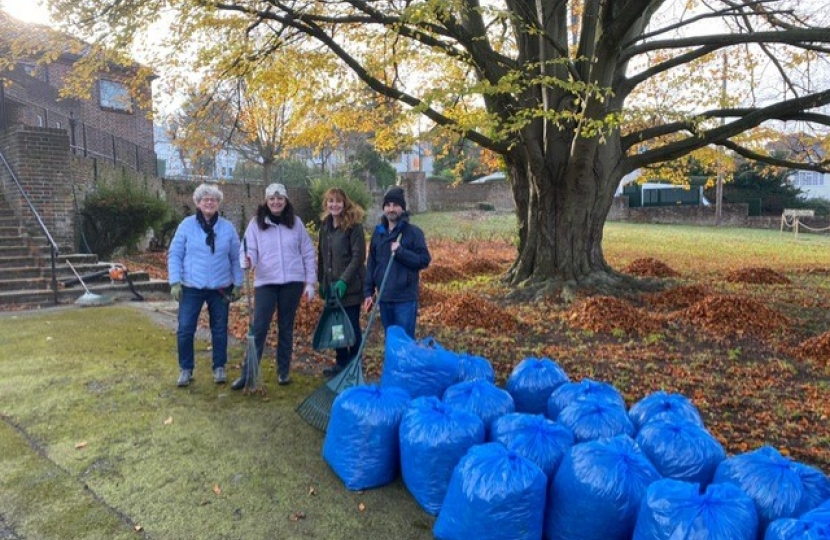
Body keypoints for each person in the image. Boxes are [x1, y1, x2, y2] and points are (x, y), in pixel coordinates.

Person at [231, 183, 317, 389]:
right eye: (272, 199)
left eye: (280, 199)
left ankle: (283, 371)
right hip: (266, 282)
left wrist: (310, 282)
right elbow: (248, 249)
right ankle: (248, 373)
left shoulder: (295, 223)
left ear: (286, 201)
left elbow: (307, 253)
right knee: (259, 328)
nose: (276, 202)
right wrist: (248, 260)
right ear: (266, 201)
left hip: (292, 283)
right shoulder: (255, 224)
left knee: (286, 328)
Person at [168, 183, 244, 387]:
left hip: (220, 288)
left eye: (213, 199)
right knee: (185, 328)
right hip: (192, 287)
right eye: (205, 199)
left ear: (218, 203)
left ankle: (219, 366)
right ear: (198, 203)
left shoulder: (227, 228)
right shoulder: (186, 226)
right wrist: (174, 281)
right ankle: (186, 369)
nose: (209, 202)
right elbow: (175, 254)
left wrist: (238, 283)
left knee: (219, 329)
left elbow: (236, 258)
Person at [363, 186, 431, 339]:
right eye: (388, 205)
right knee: (391, 341)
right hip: (384, 297)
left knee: (405, 343)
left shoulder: (413, 232)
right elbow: (372, 263)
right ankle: (393, 364)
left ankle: (405, 364)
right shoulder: (378, 233)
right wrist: (368, 292)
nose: (391, 209)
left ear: (402, 208)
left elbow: (424, 260)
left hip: (404, 299)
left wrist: (401, 252)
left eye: (395, 205)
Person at [317, 187, 367, 377]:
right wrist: (322, 281)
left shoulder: (354, 227)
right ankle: (341, 363)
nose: (334, 205)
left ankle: (355, 364)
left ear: (344, 203)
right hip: (331, 288)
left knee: (352, 326)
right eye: (330, 201)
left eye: (338, 201)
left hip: (350, 288)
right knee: (336, 328)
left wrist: (344, 281)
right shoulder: (325, 226)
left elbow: (358, 257)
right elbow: (321, 256)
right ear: (326, 204)